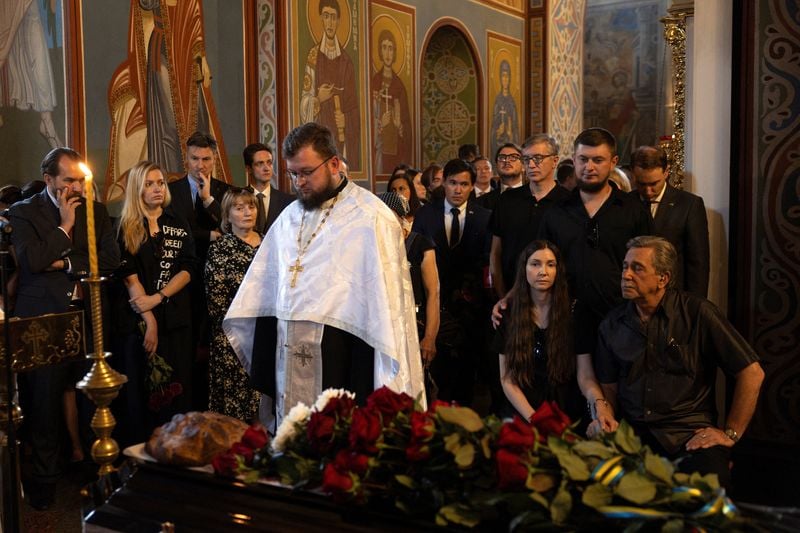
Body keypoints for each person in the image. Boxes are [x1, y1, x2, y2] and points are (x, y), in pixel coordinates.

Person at [224, 122, 423, 428]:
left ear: (333, 164)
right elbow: (264, 288)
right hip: (287, 346)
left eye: (306, 172)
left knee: (338, 434)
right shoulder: (289, 217)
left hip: (345, 352)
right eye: (292, 173)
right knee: (290, 435)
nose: (299, 182)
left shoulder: (371, 217)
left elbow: (386, 309)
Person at [594, 236, 764, 486]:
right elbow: (608, 388)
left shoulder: (698, 312)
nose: (626, 275)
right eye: (625, 267)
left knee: (707, 485)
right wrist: (604, 419)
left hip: (689, 434)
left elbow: (752, 373)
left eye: (637, 268)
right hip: (634, 435)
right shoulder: (611, 324)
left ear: (663, 278)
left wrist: (731, 433)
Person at [9, 147, 120, 510]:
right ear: (49, 179)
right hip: (44, 319)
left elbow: (109, 259)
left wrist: (63, 263)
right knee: (43, 400)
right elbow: (32, 260)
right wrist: (65, 226)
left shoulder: (96, 211)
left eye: (80, 180)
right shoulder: (23, 212)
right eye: (68, 180)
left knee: (91, 396)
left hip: (89, 316)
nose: (76, 187)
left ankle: (93, 472)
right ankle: (45, 481)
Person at [536, 128, 650, 342]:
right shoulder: (556, 212)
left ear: (613, 162)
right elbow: (538, 262)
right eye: (583, 159)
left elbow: (649, 265)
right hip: (566, 320)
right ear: (574, 160)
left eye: (598, 160)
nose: (589, 167)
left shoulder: (633, 210)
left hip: (623, 319)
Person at [496, 241, 617, 434]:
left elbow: (585, 376)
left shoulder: (576, 312)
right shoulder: (507, 314)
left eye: (550, 265)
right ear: (524, 269)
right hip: (523, 409)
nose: (543, 271)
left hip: (565, 408)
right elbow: (508, 380)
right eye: (535, 264)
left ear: (558, 270)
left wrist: (599, 404)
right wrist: (536, 419)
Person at [116, 161, 195, 438]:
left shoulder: (178, 221)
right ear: (137, 189)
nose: (157, 189)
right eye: (149, 184)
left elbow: (188, 268)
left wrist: (159, 297)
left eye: (160, 183)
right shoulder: (126, 227)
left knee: (179, 387)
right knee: (145, 391)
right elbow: (130, 278)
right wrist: (149, 320)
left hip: (176, 318)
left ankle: (178, 446)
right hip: (139, 319)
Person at [412, 158, 491, 405]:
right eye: (453, 183)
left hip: (471, 307)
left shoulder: (485, 217)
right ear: (444, 183)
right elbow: (415, 256)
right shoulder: (426, 214)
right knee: (437, 372)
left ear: (472, 186)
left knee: (467, 372)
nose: (458, 189)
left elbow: (487, 260)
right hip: (434, 302)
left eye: (464, 184)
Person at [168, 131, 229, 408]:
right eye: (195, 158)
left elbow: (231, 229)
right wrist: (209, 235)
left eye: (206, 159)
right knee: (186, 346)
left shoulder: (225, 192)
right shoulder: (171, 191)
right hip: (181, 278)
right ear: (186, 159)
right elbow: (175, 232)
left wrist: (207, 200)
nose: (200, 165)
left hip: (217, 279)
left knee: (213, 344)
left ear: (214, 159)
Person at [489, 134, 570, 298]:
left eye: (538, 158)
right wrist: (502, 294)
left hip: (555, 296)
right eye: (526, 159)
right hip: (510, 294)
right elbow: (495, 252)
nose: (531, 165)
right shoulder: (507, 200)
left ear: (555, 161)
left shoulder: (569, 202)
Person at [205, 189, 262, 421]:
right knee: (235, 413)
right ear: (227, 216)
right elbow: (216, 299)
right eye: (239, 208)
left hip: (266, 333)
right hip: (232, 336)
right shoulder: (220, 248)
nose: (247, 212)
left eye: (251, 206)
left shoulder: (270, 243)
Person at [378, 192, 439, 397]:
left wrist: (429, 338)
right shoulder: (374, 246)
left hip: (416, 325)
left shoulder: (420, 244)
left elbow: (433, 293)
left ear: (402, 218)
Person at [630, 145, 709, 297]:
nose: (648, 191)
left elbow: (698, 263)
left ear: (666, 172)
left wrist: (694, 304)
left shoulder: (689, 205)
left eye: (654, 183)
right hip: (634, 296)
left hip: (673, 297)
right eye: (641, 184)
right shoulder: (625, 203)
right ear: (633, 174)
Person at [300, 0, 360, 169]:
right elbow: (304, 102)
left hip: (340, 138)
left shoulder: (346, 62)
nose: (330, 22)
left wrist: (346, 120)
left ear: (338, 21)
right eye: (326, 16)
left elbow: (354, 107)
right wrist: (318, 99)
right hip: (319, 136)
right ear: (321, 19)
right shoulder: (313, 56)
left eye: (333, 17)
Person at [371, 29, 412, 174]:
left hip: (395, 149)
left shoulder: (399, 86)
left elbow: (407, 124)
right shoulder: (374, 82)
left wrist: (399, 125)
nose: (387, 53)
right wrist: (380, 122)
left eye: (391, 48)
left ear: (394, 52)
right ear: (380, 51)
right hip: (380, 148)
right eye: (384, 47)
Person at [243, 143, 294, 235]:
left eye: (269, 163)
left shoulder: (288, 201)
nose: (266, 168)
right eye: (260, 164)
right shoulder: (238, 198)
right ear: (248, 169)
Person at [476, 142, 524, 211]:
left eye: (513, 157)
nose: (507, 161)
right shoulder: (481, 203)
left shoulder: (535, 197)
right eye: (502, 157)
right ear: (496, 166)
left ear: (524, 165)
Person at [490, 60, 519, 159]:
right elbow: (493, 128)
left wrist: (510, 134)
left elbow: (515, 129)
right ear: (500, 78)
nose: (505, 79)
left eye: (507, 76)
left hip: (510, 144)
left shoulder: (512, 103)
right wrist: (498, 133)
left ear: (510, 78)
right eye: (503, 76)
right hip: (498, 146)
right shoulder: (497, 101)